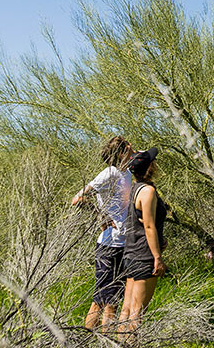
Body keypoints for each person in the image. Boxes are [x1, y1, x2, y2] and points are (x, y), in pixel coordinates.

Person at [71, 136, 134, 330]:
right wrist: (101, 216)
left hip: (124, 243)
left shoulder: (128, 172)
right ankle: (93, 339)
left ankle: (101, 340)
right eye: (129, 147)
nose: (133, 148)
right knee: (102, 301)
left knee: (112, 301)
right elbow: (77, 198)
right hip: (109, 245)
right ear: (122, 152)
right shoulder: (109, 173)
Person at [119, 146, 167, 335]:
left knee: (127, 310)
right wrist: (157, 257)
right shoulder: (147, 192)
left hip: (131, 253)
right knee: (137, 314)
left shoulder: (134, 189)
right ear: (150, 167)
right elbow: (148, 226)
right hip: (144, 255)